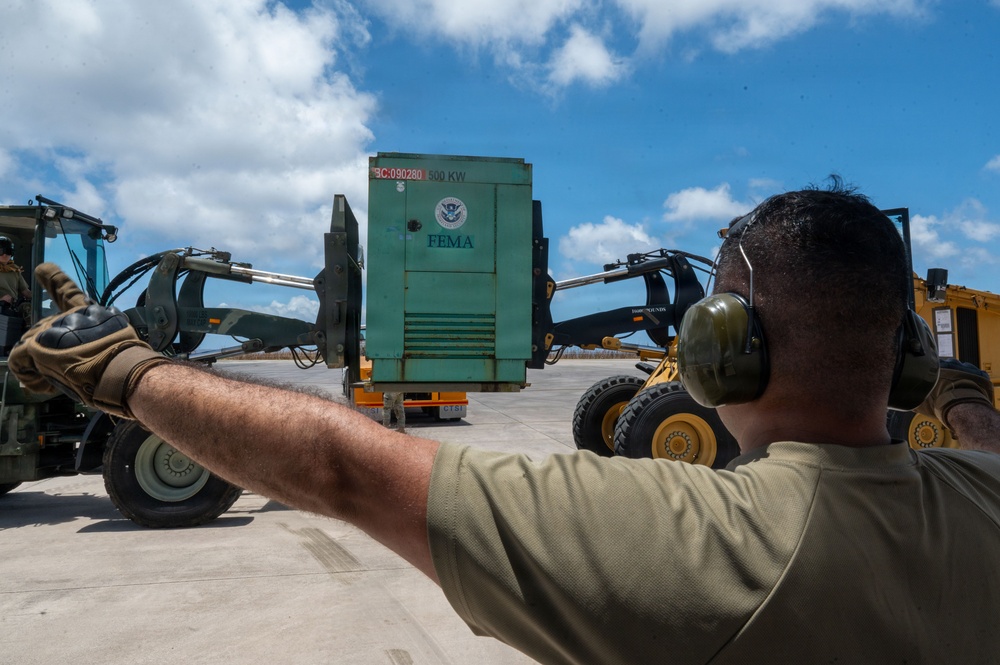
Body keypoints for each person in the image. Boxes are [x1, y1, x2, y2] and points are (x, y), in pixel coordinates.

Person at [8, 185, 1000, 664]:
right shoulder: (983, 496)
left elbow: (339, 466)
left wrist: (117, 365)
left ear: (718, 346)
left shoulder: (698, 547)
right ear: (905, 351)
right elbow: (980, 441)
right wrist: (959, 397)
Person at [0, 235, 32, 321]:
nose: (5, 254)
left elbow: (26, 292)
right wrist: (1, 299)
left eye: (8, 251)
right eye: (1, 251)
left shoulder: (14, 270)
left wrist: (42, 296)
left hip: (11, 308)